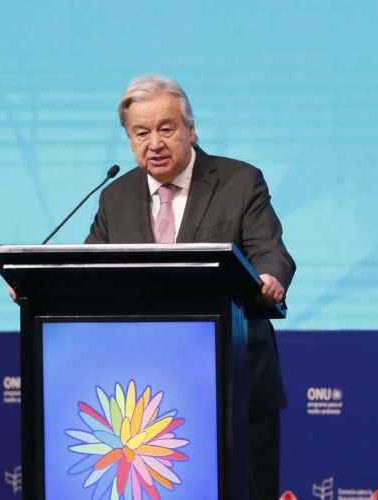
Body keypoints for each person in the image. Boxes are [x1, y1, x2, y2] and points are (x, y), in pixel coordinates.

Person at [85, 74, 296, 499]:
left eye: (166, 128)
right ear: (129, 140)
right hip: (145, 391)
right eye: (141, 133)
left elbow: (271, 253)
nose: (154, 143)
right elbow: (90, 267)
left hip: (234, 377)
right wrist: (37, 287)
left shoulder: (239, 181)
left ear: (190, 130)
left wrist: (270, 277)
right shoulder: (116, 196)